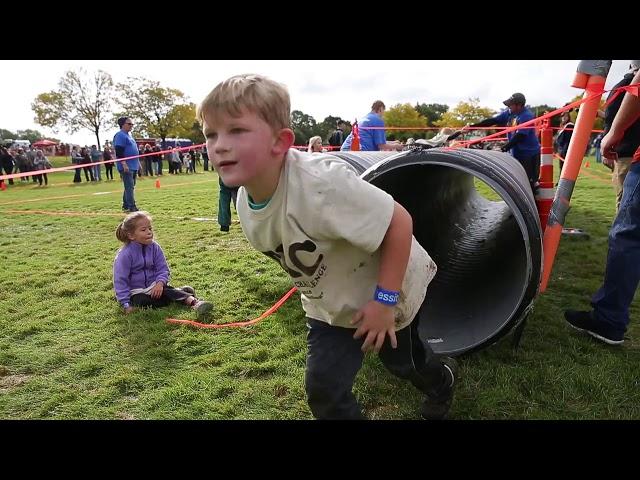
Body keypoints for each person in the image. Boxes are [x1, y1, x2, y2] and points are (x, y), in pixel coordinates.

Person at [197, 74, 457, 420]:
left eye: (236, 131)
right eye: (210, 134)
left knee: (404, 364)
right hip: (330, 308)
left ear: (280, 142)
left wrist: (384, 302)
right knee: (324, 389)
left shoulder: (322, 185)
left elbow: (399, 223)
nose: (219, 145)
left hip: (387, 291)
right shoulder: (244, 202)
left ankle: (442, 382)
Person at [564, 67, 640, 346]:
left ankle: (609, 320)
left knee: (627, 235)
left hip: (632, 156)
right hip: (628, 155)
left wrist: (613, 134)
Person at [113, 211, 213, 319]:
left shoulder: (155, 247)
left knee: (166, 291)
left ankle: (194, 303)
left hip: (155, 286)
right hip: (135, 292)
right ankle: (181, 293)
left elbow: (163, 269)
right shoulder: (124, 255)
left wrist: (160, 284)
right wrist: (126, 304)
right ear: (131, 235)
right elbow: (120, 280)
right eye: (143, 230)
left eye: (150, 229)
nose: (149, 232)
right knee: (141, 302)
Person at [468, 92, 541, 193]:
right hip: (516, 153)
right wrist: (472, 127)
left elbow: (520, 136)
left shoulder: (526, 116)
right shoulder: (509, 113)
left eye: (511, 105)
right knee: (518, 181)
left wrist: (503, 148)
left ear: (519, 105)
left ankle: (536, 206)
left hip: (529, 154)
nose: (509, 107)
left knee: (529, 183)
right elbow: (493, 120)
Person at [602, 60, 640, 212]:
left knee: (626, 207)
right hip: (629, 153)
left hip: (628, 155)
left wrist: (610, 138)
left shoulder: (624, 86)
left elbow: (610, 116)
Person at [114, 117, 140, 212]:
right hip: (126, 166)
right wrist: (124, 164)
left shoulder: (129, 136)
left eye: (132, 124)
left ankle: (126, 205)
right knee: (129, 186)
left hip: (134, 165)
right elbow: (119, 151)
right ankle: (131, 206)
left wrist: (138, 164)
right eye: (129, 124)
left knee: (131, 186)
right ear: (123, 125)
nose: (131, 126)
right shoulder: (120, 135)